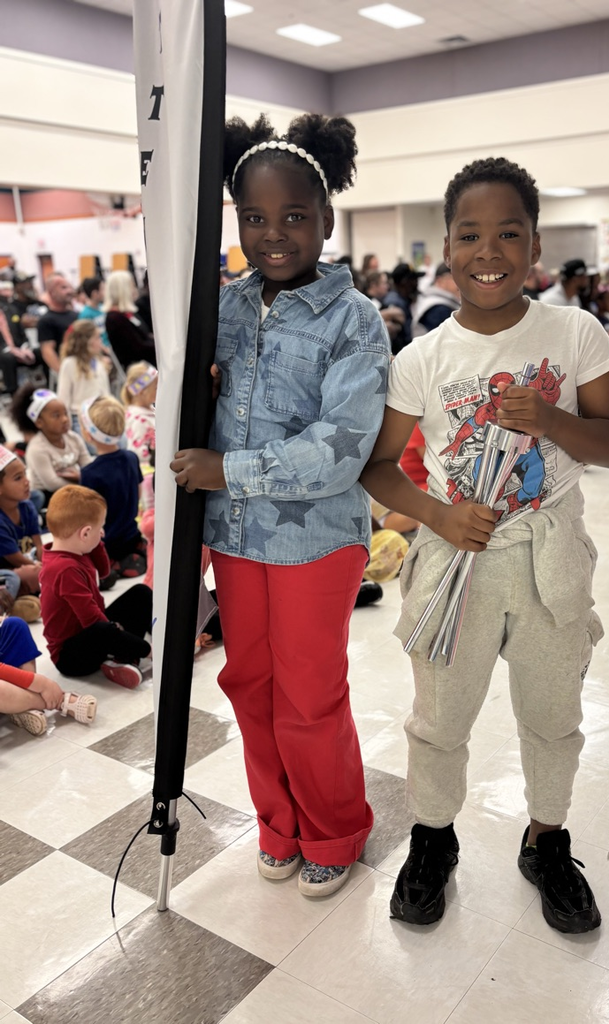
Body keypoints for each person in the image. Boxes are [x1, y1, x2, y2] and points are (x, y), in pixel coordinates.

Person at [361, 155, 609, 934]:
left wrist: (547, 420)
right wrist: (437, 517)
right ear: (445, 248)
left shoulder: (573, 331)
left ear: (535, 245)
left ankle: (546, 840)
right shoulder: (422, 358)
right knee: (439, 717)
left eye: (508, 233)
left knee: (552, 713)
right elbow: (380, 467)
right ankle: (433, 838)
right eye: (469, 235)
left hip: (550, 558)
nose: (489, 252)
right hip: (457, 562)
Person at [170, 111, 390, 897]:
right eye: (255, 218)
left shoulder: (354, 320)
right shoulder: (225, 305)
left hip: (314, 543)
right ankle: (277, 825)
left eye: (294, 217)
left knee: (308, 694)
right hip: (234, 540)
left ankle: (334, 829)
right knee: (249, 686)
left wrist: (229, 468)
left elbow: (341, 448)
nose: (274, 234)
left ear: (326, 219)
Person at [39, 485, 152, 688]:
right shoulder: (64, 569)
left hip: (92, 631)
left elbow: (104, 572)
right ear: (84, 533)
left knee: (141, 592)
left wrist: (95, 542)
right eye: (100, 527)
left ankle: (122, 658)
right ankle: (140, 652)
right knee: (103, 628)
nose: (103, 533)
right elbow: (93, 622)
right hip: (71, 657)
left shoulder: (76, 550)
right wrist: (146, 650)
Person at [79, 396, 146, 578]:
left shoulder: (89, 473)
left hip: (107, 542)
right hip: (131, 534)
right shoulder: (131, 457)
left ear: (88, 435)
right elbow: (138, 493)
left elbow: (88, 516)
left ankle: (109, 565)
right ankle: (131, 557)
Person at [23, 387, 93, 508]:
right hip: (49, 496)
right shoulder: (37, 449)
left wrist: (83, 477)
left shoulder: (73, 438)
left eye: (65, 413)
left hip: (75, 486)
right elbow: (52, 483)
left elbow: (88, 464)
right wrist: (83, 482)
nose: (65, 419)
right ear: (39, 422)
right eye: (56, 416)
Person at [0, 446, 42, 596]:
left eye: (25, 474)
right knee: (18, 578)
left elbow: (38, 543)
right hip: (9, 571)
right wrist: (42, 570)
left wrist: (45, 564)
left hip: (28, 564)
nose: (27, 481)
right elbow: (17, 560)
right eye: (18, 478)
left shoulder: (27, 506)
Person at [57, 320, 111, 434]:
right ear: (86, 341)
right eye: (97, 338)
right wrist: (67, 429)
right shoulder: (69, 364)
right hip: (82, 419)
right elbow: (63, 398)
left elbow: (106, 393)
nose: (100, 341)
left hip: (102, 415)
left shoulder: (99, 362)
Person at [103, 270, 156, 369]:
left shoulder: (128, 313)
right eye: (131, 286)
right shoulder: (115, 318)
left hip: (147, 362)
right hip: (138, 368)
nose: (134, 290)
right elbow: (137, 348)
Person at [36, 272, 77, 374]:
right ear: (51, 293)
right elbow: (47, 352)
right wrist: (63, 373)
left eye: (69, 287)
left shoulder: (77, 315)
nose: (69, 291)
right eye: (63, 288)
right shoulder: (46, 321)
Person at [121, 361, 157, 464]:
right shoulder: (138, 419)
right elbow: (136, 453)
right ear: (142, 391)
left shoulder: (151, 409)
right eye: (155, 387)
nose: (159, 390)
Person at [384, 262, 425, 353]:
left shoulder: (405, 300)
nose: (417, 284)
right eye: (414, 280)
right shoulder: (394, 303)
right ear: (404, 282)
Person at [411, 262, 460, 337]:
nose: (461, 283)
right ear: (440, 281)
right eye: (455, 277)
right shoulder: (439, 308)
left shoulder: (431, 300)